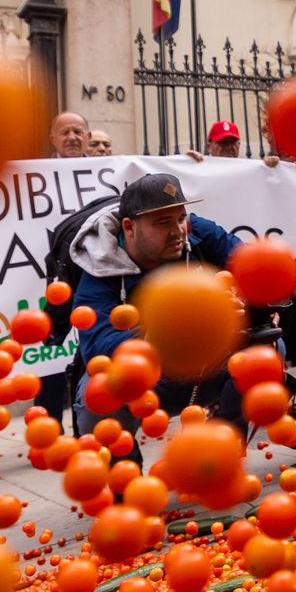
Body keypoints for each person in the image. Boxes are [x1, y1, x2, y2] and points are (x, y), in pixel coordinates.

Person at [65, 172, 241, 432]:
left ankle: (221, 446)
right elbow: (98, 346)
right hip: (149, 381)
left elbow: (253, 267)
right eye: (162, 222)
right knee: (98, 393)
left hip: (206, 366)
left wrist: (245, 301)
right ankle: (123, 471)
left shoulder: (199, 233)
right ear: (129, 228)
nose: (177, 231)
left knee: (266, 345)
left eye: (181, 218)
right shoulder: (99, 267)